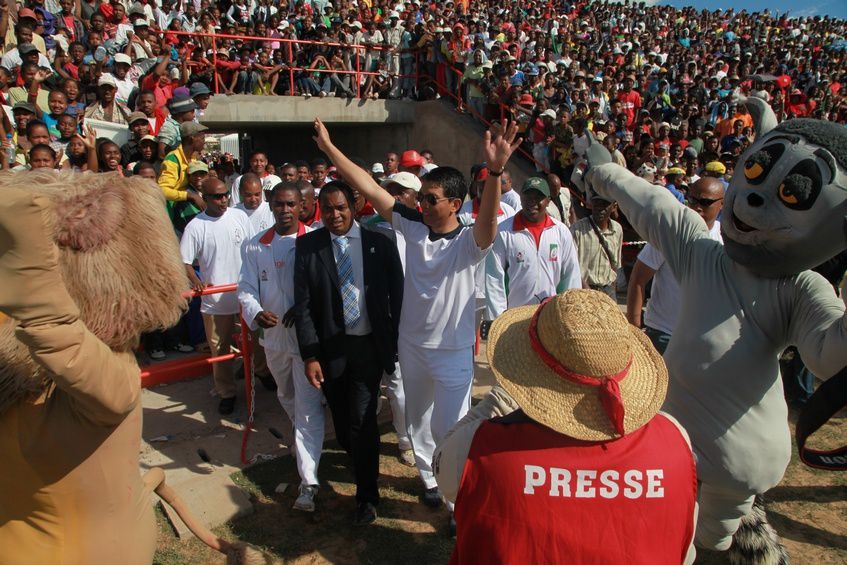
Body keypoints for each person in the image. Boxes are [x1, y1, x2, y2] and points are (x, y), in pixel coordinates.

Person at [312, 116, 521, 534]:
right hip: (411, 347)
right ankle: (430, 481)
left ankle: (457, 501)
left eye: (431, 199)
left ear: (455, 204)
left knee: (453, 428)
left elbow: (488, 222)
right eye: (421, 197)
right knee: (418, 424)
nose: (421, 203)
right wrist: (330, 150)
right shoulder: (410, 225)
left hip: (453, 354)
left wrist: (495, 172)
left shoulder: (469, 242)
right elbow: (369, 188)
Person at [433, 290, 697, 564]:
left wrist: (502, 397)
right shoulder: (676, 444)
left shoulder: (480, 451)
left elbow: (442, 464)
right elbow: (684, 551)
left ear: (532, 370)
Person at [292, 180, 404, 525]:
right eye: (327, 209)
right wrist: (310, 355)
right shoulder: (308, 247)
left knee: (363, 420)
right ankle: (360, 459)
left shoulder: (379, 243)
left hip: (368, 346)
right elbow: (305, 306)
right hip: (330, 352)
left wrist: (395, 343)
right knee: (343, 425)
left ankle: (367, 498)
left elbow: (397, 296)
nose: (334, 215)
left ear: (354, 206)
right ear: (318, 210)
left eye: (341, 208)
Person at [238, 181, 327, 513]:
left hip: (307, 343)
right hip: (274, 340)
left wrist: (304, 308)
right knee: (286, 397)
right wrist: (255, 312)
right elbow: (245, 286)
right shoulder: (254, 246)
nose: (285, 210)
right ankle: (305, 445)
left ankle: (309, 481)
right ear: (270, 205)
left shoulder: (317, 240)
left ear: (302, 205)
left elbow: (325, 288)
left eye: (291, 204)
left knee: (307, 408)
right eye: (278, 204)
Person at [179, 177, 254, 415]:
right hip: (215, 301)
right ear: (205, 197)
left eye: (225, 195)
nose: (223, 200)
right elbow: (184, 262)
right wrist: (198, 282)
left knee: (255, 342)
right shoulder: (196, 226)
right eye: (217, 197)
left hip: (244, 295)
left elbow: (253, 248)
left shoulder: (239, 216)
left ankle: (259, 374)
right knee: (220, 350)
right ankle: (227, 393)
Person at [626, 177, 725, 354]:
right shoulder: (670, 233)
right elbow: (638, 279)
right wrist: (634, 330)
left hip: (706, 339)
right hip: (663, 335)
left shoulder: (727, 240)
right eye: (693, 199)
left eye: (705, 202)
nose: (697, 207)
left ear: (722, 204)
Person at [485, 176, 582, 319]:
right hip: (514, 316)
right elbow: (493, 277)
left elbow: (571, 275)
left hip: (550, 317)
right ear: (521, 198)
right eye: (527, 197)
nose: (532, 202)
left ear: (548, 201)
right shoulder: (504, 231)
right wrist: (497, 317)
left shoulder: (561, 232)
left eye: (539, 197)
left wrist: (571, 313)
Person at [571, 195, 623, 300]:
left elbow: (615, 264)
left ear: (613, 207)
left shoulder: (617, 229)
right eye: (596, 204)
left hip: (608, 291)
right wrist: (586, 289)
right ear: (591, 206)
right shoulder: (577, 229)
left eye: (604, 205)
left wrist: (612, 288)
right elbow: (571, 266)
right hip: (584, 290)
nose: (600, 208)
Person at [158, 121, 207, 210]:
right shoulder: (173, 159)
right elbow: (163, 190)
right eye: (202, 138)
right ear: (192, 138)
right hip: (172, 212)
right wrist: (189, 195)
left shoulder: (193, 158)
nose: (204, 142)